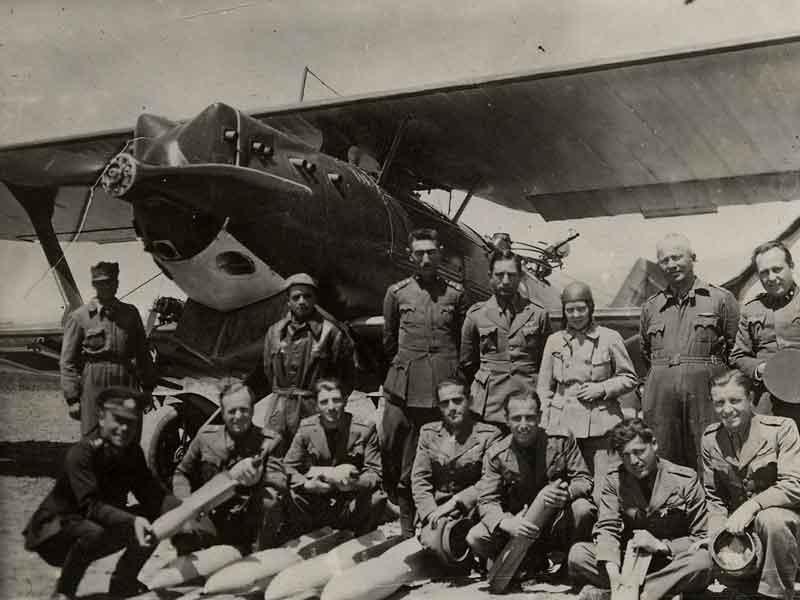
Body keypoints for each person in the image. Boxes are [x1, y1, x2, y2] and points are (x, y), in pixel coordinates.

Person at [23, 387, 179, 600]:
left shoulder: (131, 452)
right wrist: (133, 521)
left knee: (154, 518)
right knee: (94, 531)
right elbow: (89, 506)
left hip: (95, 523)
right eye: (118, 419)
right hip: (54, 533)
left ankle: (123, 583)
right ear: (101, 418)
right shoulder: (82, 453)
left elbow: (152, 494)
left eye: (131, 422)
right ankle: (63, 592)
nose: (124, 428)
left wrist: (186, 511)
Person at [382, 228, 469, 536]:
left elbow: (461, 341)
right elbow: (389, 341)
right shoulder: (397, 293)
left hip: (442, 391)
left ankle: (438, 524)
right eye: (419, 252)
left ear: (440, 253)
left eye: (431, 252)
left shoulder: (455, 295)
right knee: (401, 454)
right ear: (411, 255)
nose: (426, 258)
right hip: (406, 388)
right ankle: (406, 526)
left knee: (440, 457)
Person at [568, 418, 713, 600]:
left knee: (704, 562)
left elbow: (701, 537)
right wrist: (613, 573)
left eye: (639, 452)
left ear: (654, 444)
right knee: (579, 554)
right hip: (631, 560)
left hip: (671, 561)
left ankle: (631, 594)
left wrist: (662, 546)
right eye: (625, 455)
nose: (633, 461)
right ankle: (650, 591)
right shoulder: (615, 480)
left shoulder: (685, 480)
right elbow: (607, 528)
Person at [465, 392, 595, 577]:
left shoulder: (561, 440)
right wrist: (506, 522)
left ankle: (569, 566)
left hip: (555, 521)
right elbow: (486, 500)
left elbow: (584, 479)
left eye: (530, 418)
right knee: (476, 536)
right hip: (520, 524)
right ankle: (524, 566)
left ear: (540, 417)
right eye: (517, 418)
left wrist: (566, 494)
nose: (523, 425)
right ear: (506, 420)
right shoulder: (497, 454)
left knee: (583, 509)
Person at [640, 233, 739, 469]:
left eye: (677, 257)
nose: (671, 265)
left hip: (706, 393)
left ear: (693, 257)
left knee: (711, 453)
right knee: (663, 455)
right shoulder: (651, 307)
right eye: (664, 260)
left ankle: (715, 504)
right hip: (661, 396)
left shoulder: (720, 299)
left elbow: (736, 350)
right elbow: (645, 352)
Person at [701, 370, 800, 600]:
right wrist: (717, 538)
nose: (726, 410)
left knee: (772, 518)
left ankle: (774, 596)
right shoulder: (710, 439)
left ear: (751, 398)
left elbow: (794, 485)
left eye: (735, 400)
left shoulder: (782, 429)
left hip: (786, 531)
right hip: (740, 533)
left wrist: (752, 506)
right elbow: (713, 497)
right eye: (719, 403)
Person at [537, 281, 637, 494]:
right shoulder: (554, 341)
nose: (576, 315)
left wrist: (601, 388)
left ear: (590, 308)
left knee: (604, 491)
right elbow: (544, 388)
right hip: (563, 426)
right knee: (565, 489)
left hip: (601, 426)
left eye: (581, 308)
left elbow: (629, 378)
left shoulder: (610, 338)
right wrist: (545, 421)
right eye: (570, 310)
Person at [171, 381, 287, 554]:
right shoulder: (205, 438)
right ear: (223, 414)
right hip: (211, 514)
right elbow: (181, 473)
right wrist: (186, 502)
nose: (238, 416)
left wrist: (258, 480)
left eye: (244, 409)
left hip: (247, 520)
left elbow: (277, 485)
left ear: (253, 410)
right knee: (183, 532)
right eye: (232, 411)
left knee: (270, 503)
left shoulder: (270, 442)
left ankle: (258, 552)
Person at [245, 273, 354, 450]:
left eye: (307, 296)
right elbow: (268, 370)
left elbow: (346, 377)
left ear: (315, 299)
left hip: (313, 410)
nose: (302, 301)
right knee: (273, 461)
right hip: (278, 412)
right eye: (296, 297)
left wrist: (329, 405)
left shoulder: (331, 333)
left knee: (311, 460)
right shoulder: (274, 332)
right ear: (288, 301)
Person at [411, 379, 503, 562]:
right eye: (445, 403)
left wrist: (456, 502)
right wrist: (430, 514)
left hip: (473, 509)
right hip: (436, 510)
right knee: (433, 545)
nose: (451, 408)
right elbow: (420, 479)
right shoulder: (428, 434)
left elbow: (488, 482)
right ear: (439, 406)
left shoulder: (489, 435)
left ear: (469, 400)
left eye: (457, 400)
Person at [60, 262, 156, 435]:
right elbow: (67, 361)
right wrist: (72, 398)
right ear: (94, 285)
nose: (107, 286)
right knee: (94, 435)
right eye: (102, 282)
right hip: (94, 382)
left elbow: (143, 353)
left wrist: (148, 388)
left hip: (126, 380)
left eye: (111, 282)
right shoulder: (79, 317)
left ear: (117, 283)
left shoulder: (130, 313)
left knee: (127, 434)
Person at [460, 249, 552, 428]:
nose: (506, 281)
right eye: (499, 275)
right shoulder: (477, 315)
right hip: (489, 405)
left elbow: (546, 362)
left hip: (526, 403)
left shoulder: (538, 314)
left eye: (511, 275)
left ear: (520, 277)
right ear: (490, 276)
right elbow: (467, 362)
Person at [283, 378, 385, 536]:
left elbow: (375, 472)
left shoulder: (365, 429)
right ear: (316, 405)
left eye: (336, 400)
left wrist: (355, 483)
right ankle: (308, 533)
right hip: (317, 499)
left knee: (377, 497)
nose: (331, 407)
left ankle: (358, 532)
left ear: (345, 401)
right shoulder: (306, 429)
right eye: (324, 402)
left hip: (350, 500)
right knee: (291, 493)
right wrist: (307, 484)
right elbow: (287, 468)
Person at [730, 240, 800, 428]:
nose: (771, 277)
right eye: (764, 272)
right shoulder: (751, 309)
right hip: (767, 402)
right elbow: (738, 355)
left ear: (791, 266)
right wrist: (759, 368)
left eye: (777, 269)